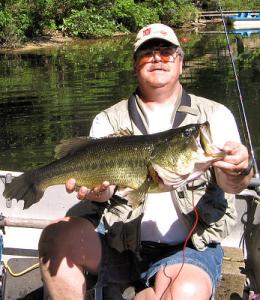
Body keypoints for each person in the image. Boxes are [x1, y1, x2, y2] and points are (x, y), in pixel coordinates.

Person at [38, 23, 253, 300]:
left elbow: (233, 184)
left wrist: (239, 169)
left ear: (180, 61)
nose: (156, 58)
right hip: (116, 243)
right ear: (134, 64)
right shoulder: (109, 120)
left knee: (185, 292)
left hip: (188, 250)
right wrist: (100, 193)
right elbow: (104, 194)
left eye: (166, 52)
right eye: (146, 52)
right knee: (56, 238)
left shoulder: (213, 117)